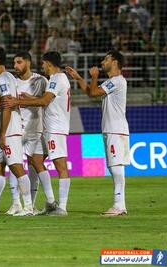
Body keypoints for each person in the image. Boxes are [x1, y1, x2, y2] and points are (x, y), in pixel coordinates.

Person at [2, 51, 71, 216]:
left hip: (55, 128)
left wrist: (18, 101)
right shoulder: (59, 79)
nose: (42, 66)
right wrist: (29, 98)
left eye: (43, 63)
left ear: (48, 63)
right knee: (36, 161)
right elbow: (43, 100)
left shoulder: (55, 79)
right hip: (51, 128)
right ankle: (49, 202)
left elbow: (44, 101)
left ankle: (61, 207)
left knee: (60, 166)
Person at [65, 50, 129, 216]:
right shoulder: (112, 82)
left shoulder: (116, 81)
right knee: (114, 166)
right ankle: (119, 204)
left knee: (116, 166)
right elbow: (90, 93)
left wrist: (94, 76)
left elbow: (93, 92)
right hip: (113, 129)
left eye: (106, 59)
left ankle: (119, 205)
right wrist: (79, 78)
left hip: (115, 129)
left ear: (114, 62)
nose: (102, 62)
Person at [0, 47, 33, 216]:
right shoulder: (5, 77)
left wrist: (3, 134)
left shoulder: (3, 78)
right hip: (2, 131)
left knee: (17, 168)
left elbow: (6, 105)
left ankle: (28, 207)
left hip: (10, 131)